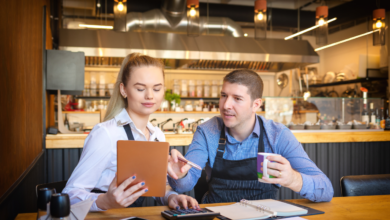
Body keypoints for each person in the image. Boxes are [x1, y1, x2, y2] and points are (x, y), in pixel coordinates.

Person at [167, 69, 334, 203]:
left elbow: (326, 189)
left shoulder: (277, 135)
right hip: (217, 216)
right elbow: (184, 185)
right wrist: (179, 174)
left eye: (237, 98)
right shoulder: (207, 131)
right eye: (223, 95)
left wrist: (293, 179)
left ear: (256, 104)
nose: (226, 105)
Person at [63, 53, 198, 211]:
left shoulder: (157, 136)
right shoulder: (106, 134)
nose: (149, 95)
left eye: (156, 88)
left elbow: (155, 187)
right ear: (124, 89)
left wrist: (172, 197)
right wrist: (105, 201)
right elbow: (69, 195)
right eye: (140, 88)